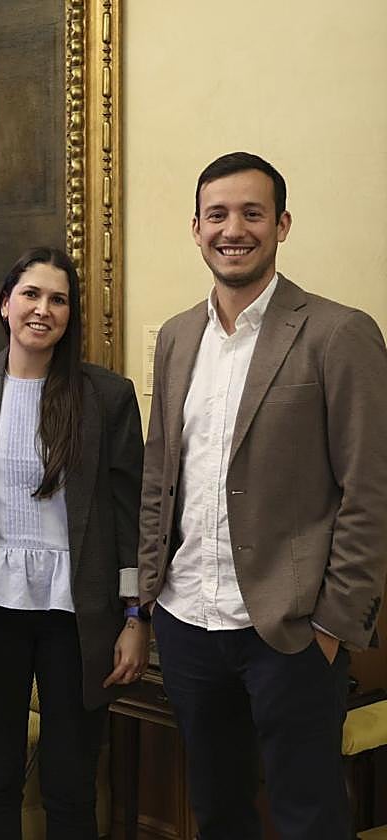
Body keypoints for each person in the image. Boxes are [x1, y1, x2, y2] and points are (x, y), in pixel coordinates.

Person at [138, 151, 387, 839]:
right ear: (196, 229)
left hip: (293, 632)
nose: (233, 229)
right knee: (218, 811)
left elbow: (371, 490)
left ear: (281, 224)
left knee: (310, 816)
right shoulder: (176, 336)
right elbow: (160, 475)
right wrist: (148, 599)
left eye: (252, 213)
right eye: (217, 215)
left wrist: (335, 627)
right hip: (187, 622)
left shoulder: (339, 332)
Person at [0, 246, 147, 839]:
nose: (43, 309)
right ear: (6, 304)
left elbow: (130, 518)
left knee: (71, 789)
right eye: (31, 295)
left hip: (81, 618)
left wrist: (133, 617)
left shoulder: (107, 396)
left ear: (69, 315)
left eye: (59, 299)